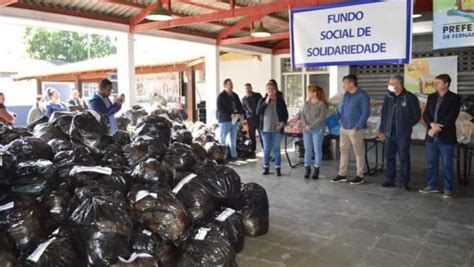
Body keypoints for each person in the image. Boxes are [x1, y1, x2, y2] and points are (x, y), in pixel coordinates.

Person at [419, 74, 461, 199]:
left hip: (446, 136)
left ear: (446, 84)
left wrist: (436, 129)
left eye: (438, 82)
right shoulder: (431, 97)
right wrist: (431, 124)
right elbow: (426, 114)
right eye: (435, 82)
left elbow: (451, 117)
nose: (435, 85)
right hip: (431, 136)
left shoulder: (454, 98)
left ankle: (448, 188)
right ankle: (432, 185)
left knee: (447, 163)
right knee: (431, 162)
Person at [378, 75, 420, 191]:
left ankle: (405, 181)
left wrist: (406, 125)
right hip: (389, 133)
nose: (390, 86)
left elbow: (416, 115)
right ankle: (389, 179)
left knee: (404, 158)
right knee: (389, 157)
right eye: (389, 83)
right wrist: (382, 130)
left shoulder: (410, 97)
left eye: (391, 83)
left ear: (399, 84)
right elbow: (384, 114)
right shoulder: (388, 97)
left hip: (403, 134)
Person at [331, 74, 370, 185]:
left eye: (345, 83)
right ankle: (342, 174)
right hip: (344, 127)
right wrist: (342, 122)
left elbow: (365, 112)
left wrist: (357, 126)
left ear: (352, 83)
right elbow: (343, 108)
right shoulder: (347, 95)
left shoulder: (363, 95)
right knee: (343, 151)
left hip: (356, 129)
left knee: (359, 152)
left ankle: (360, 175)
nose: (343, 86)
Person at [257, 82, 289, 176]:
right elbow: (258, 112)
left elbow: (285, 114)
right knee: (266, 149)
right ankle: (266, 167)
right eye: (268, 89)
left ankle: (277, 168)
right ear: (266, 91)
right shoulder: (262, 100)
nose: (270, 91)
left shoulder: (280, 101)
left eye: (272, 89)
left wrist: (283, 122)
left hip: (277, 129)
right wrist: (266, 102)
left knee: (276, 148)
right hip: (265, 129)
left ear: (275, 90)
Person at [301, 84, 328, 179]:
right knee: (307, 149)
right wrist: (305, 125)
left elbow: (321, 118)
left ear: (314, 93)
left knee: (317, 149)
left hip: (317, 129)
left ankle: (316, 169)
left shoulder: (322, 104)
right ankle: (307, 168)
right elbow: (302, 115)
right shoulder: (307, 103)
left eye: (309, 91)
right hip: (306, 129)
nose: (308, 93)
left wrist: (311, 126)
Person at [217, 78, 243, 160]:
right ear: (225, 86)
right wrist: (229, 115)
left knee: (233, 139)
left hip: (235, 121)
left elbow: (240, 106)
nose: (232, 85)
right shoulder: (221, 96)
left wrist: (239, 113)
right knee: (222, 139)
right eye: (230, 84)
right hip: (225, 120)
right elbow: (220, 108)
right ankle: (222, 156)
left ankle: (234, 155)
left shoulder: (235, 95)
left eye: (232, 84)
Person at [241, 83, 263, 153]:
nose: (247, 89)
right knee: (252, 135)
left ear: (251, 88)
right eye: (246, 88)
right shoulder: (244, 99)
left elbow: (262, 106)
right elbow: (244, 110)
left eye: (248, 88)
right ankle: (253, 149)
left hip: (259, 118)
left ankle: (264, 148)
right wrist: (244, 121)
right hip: (250, 119)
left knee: (262, 134)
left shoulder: (258, 95)